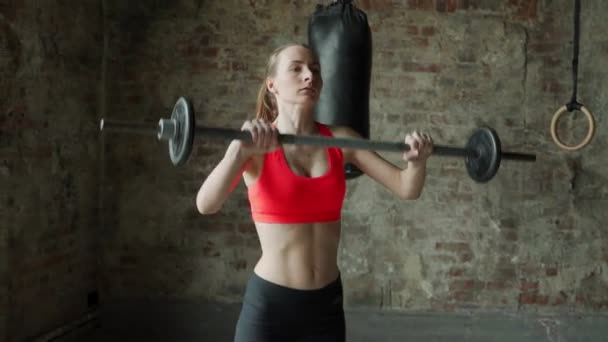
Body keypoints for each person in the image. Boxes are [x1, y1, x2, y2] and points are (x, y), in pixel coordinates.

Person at [196, 43, 434, 342]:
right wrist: (236, 152)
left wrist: (417, 161)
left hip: (325, 306)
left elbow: (406, 187)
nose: (309, 75)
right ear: (272, 84)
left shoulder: (342, 140)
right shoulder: (252, 147)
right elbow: (206, 204)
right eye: (296, 68)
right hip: (271, 306)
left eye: (315, 69)